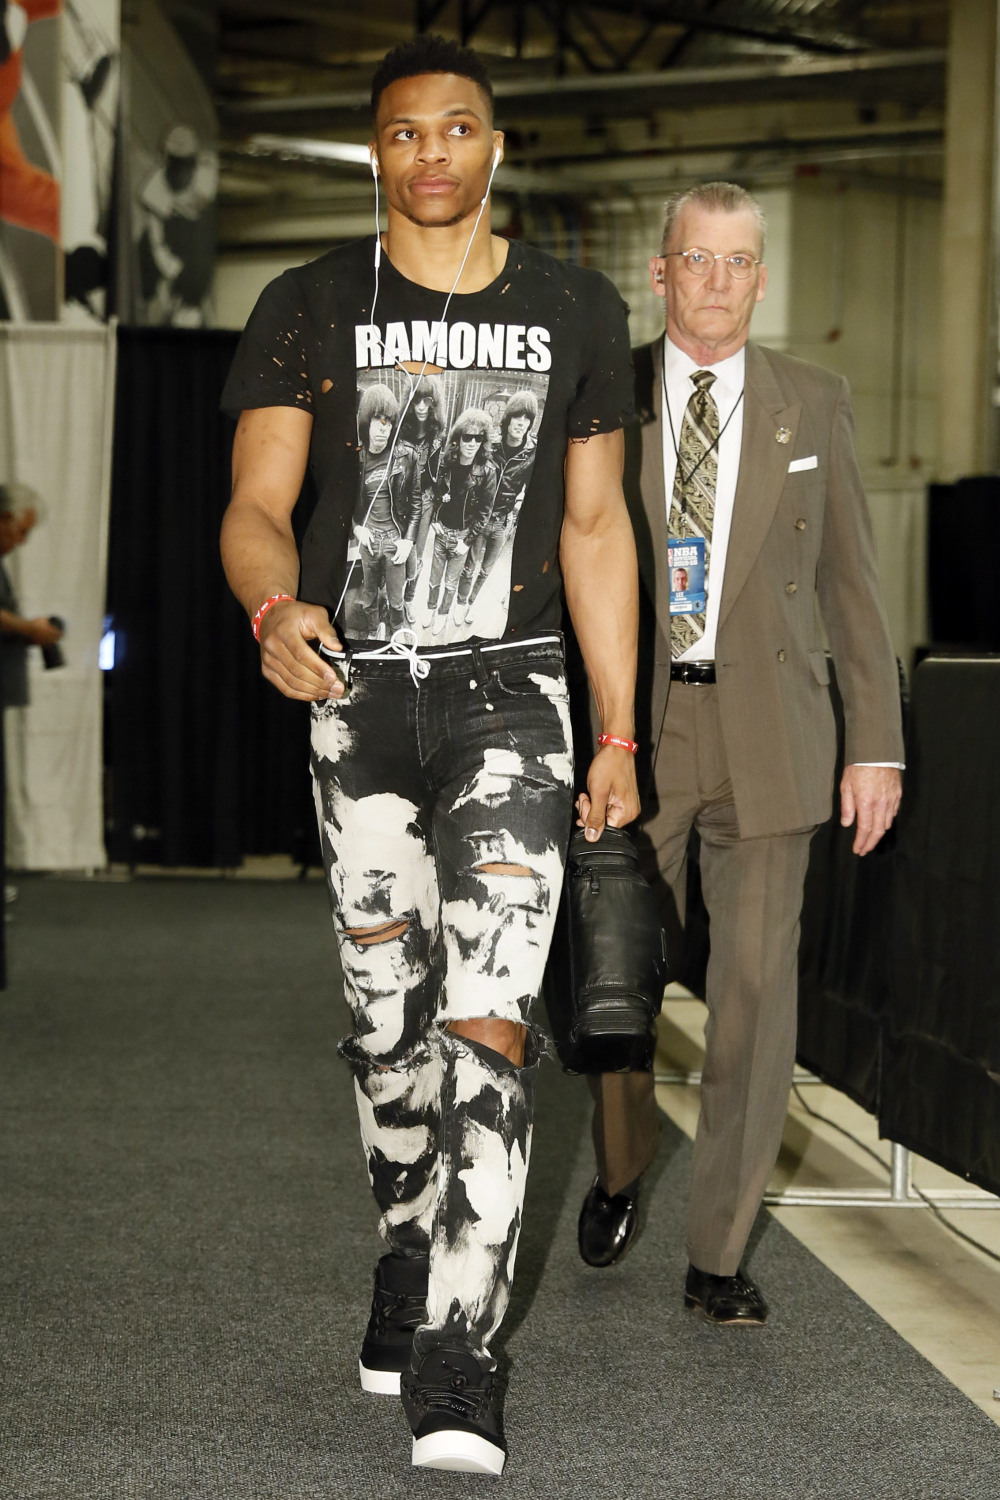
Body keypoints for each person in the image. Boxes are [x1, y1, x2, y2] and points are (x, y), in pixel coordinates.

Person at [219, 33, 639, 1476]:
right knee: (387, 1017)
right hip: (362, 700)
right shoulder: (309, 301)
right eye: (406, 134)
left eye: (460, 129)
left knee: (493, 1020)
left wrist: (621, 726)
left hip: (513, 695)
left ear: (496, 148)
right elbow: (256, 503)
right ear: (377, 154)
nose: (434, 154)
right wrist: (275, 604)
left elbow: (596, 530)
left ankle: (460, 1347)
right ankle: (405, 1245)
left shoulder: (576, 306)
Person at [576, 182, 904, 1328]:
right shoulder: (600, 389)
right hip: (633, 730)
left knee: (754, 1004)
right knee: (612, 990)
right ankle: (620, 1169)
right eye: (695, 261)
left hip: (773, 730)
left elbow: (854, 585)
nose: (715, 281)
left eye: (737, 263)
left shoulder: (813, 401)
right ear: (658, 272)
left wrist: (877, 744)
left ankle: (716, 1251)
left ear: (762, 278)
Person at [455, 389, 538, 627]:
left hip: (502, 521)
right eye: (517, 417)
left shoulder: (532, 452)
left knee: (486, 569)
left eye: (527, 419)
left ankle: (472, 602)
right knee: (469, 567)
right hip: (480, 518)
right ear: (508, 418)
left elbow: (529, 487)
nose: (521, 424)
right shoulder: (491, 443)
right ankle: (460, 603)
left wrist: (519, 511)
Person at [351, 381, 418, 639]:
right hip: (368, 540)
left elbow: (416, 503)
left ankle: (397, 632)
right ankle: (372, 631)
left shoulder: (406, 456)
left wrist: (408, 541)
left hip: (394, 540)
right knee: (368, 595)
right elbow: (344, 506)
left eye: (388, 422)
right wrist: (357, 529)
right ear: (366, 421)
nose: (383, 428)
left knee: (396, 597)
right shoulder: (355, 459)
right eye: (377, 420)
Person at [423, 406, 496, 635]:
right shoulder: (447, 463)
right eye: (467, 437)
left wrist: (468, 541)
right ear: (458, 438)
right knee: (434, 579)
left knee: (451, 583)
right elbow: (436, 494)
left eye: (477, 438)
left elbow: (485, 511)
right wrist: (434, 519)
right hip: (442, 532)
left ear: (482, 441)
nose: (472, 443)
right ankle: (430, 608)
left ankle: (443, 615)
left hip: (463, 536)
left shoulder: (487, 472)